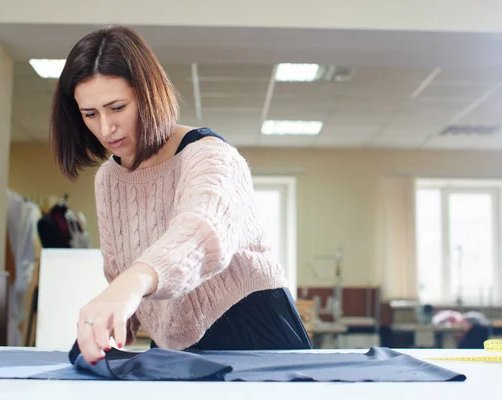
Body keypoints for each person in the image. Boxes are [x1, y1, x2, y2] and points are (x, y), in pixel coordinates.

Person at [49, 25, 312, 364]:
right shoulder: (109, 180)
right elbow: (119, 271)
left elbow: (200, 233)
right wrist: (116, 320)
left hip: (255, 333)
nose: (105, 128)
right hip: (174, 348)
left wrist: (131, 284)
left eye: (117, 107)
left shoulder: (210, 156)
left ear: (148, 95)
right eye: (90, 114)